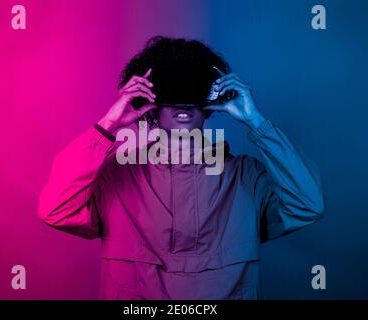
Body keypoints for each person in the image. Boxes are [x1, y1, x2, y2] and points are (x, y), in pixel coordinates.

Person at [38, 36, 325, 299]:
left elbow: (307, 205)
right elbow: (56, 209)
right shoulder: (118, 177)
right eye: (170, 92)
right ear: (149, 102)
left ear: (211, 101)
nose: (181, 103)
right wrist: (108, 126)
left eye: (193, 91)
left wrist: (256, 122)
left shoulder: (245, 178)